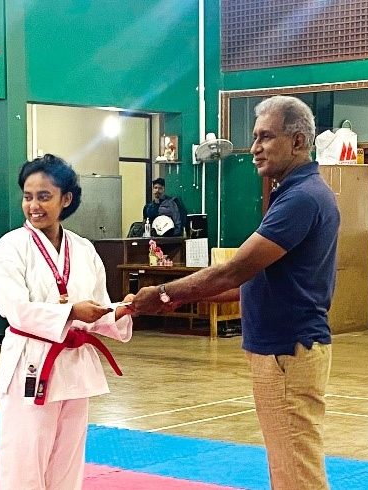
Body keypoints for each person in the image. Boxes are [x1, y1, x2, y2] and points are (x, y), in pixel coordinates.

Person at [132, 96, 340, 490]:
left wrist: (162, 293)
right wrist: (182, 298)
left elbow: (234, 270)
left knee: (296, 472)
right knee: (289, 468)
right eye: (254, 137)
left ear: (298, 141)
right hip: (283, 348)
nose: (255, 148)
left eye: (266, 137)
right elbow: (257, 282)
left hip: (286, 349)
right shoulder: (296, 192)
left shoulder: (301, 197)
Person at [0, 154, 134, 490]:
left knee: (68, 462)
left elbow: (96, 308)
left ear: (66, 199)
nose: (34, 206)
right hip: (31, 362)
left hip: (74, 364)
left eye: (44, 196)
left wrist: (121, 311)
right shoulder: (10, 247)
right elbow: (15, 309)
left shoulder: (83, 249)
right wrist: (70, 313)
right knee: (25, 459)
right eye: (28, 196)